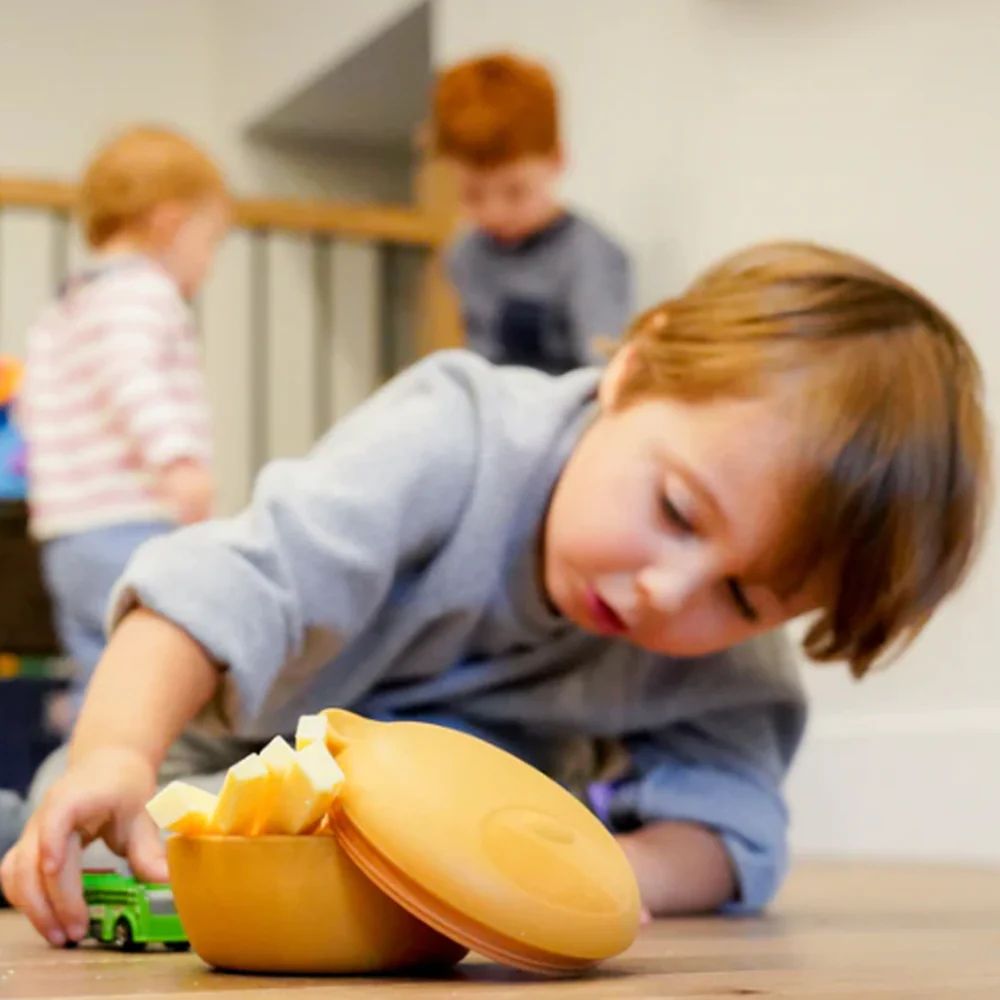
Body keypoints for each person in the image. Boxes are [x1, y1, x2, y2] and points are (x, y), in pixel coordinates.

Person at [1, 241, 989, 946]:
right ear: (634, 372)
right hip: (222, 764)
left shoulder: (727, 658)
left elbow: (735, 830)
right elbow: (223, 587)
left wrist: (598, 878)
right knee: (88, 856)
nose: (665, 591)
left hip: (439, 861)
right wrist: (116, 753)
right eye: (678, 511)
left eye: (744, 597)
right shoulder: (456, 437)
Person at [17, 125, 229, 729]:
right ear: (169, 223)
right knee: (152, 675)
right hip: (129, 523)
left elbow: (35, 404)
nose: (207, 263)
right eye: (209, 241)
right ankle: (122, 778)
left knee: (99, 670)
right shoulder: (142, 291)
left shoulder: (65, 305)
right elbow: (133, 378)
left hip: (67, 535)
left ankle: (71, 770)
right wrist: (178, 460)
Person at [432, 52, 632, 372]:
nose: (494, 212)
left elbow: (604, 371)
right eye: (472, 194)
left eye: (515, 191)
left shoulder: (589, 256)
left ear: (557, 160)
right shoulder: (465, 255)